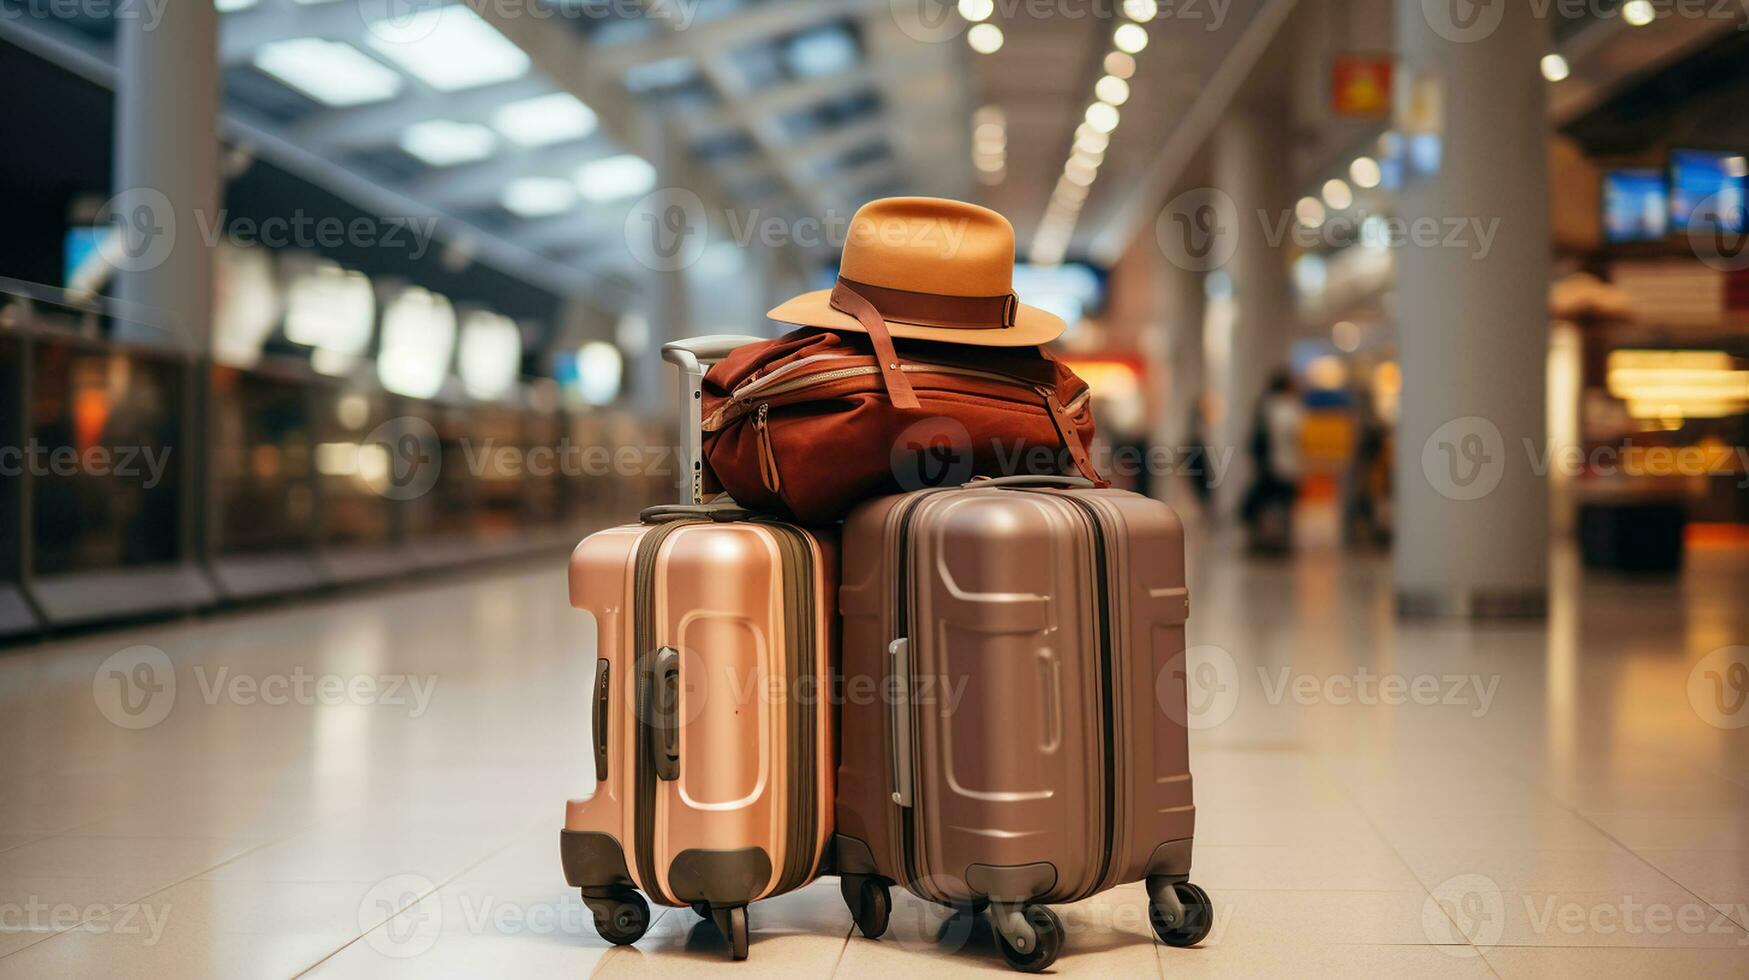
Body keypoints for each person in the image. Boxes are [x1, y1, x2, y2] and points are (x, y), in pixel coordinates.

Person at [1240, 370, 1303, 554]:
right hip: (1282, 465)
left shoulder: (1265, 407)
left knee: (1269, 505)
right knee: (1281, 506)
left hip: (1272, 465)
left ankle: (1267, 540)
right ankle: (1277, 541)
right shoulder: (1285, 408)